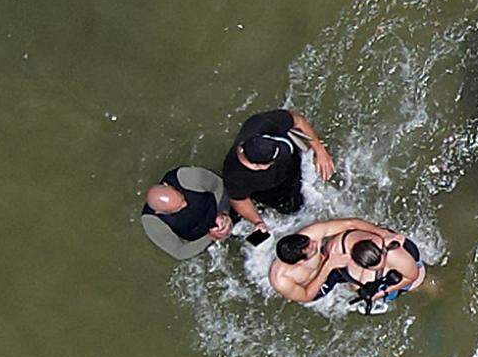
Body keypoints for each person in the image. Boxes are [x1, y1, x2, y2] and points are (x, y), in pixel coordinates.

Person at [223, 109, 335, 233]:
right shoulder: (234, 176)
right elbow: (238, 199)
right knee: (294, 210)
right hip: (274, 189)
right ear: (258, 166)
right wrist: (258, 221)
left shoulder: (258, 124)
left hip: (294, 166)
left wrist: (319, 150)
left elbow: (297, 120)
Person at [270, 218, 426, 306]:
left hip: (334, 261)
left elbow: (350, 224)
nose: (314, 243)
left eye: (309, 241)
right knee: (358, 284)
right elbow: (306, 295)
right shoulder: (282, 280)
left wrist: (382, 233)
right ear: (299, 262)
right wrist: (329, 266)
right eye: (311, 249)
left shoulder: (311, 236)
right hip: (313, 283)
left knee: (362, 280)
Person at [140, 166, 233, 260]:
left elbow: (220, 185)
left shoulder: (186, 177)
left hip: (223, 208)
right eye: (178, 208)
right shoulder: (151, 222)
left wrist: (223, 211)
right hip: (203, 241)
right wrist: (210, 238)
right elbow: (180, 252)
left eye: (181, 198)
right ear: (159, 212)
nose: (185, 204)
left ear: (167, 185)